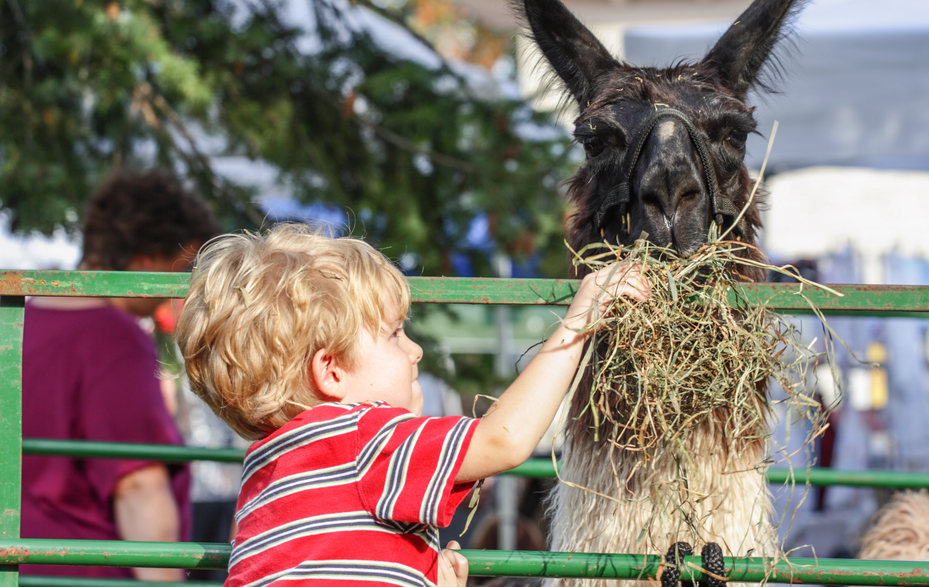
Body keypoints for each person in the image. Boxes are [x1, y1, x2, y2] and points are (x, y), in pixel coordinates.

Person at [175, 224, 649, 587]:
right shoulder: (362, 437)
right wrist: (581, 320)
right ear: (331, 371)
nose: (415, 350)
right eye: (395, 334)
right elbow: (503, 438)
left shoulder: (266, 471)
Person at [21, 167, 219, 582]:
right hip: (82, 573)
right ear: (146, 260)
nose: (180, 285)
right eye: (181, 268)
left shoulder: (22, 324)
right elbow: (138, 487)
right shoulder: (112, 336)